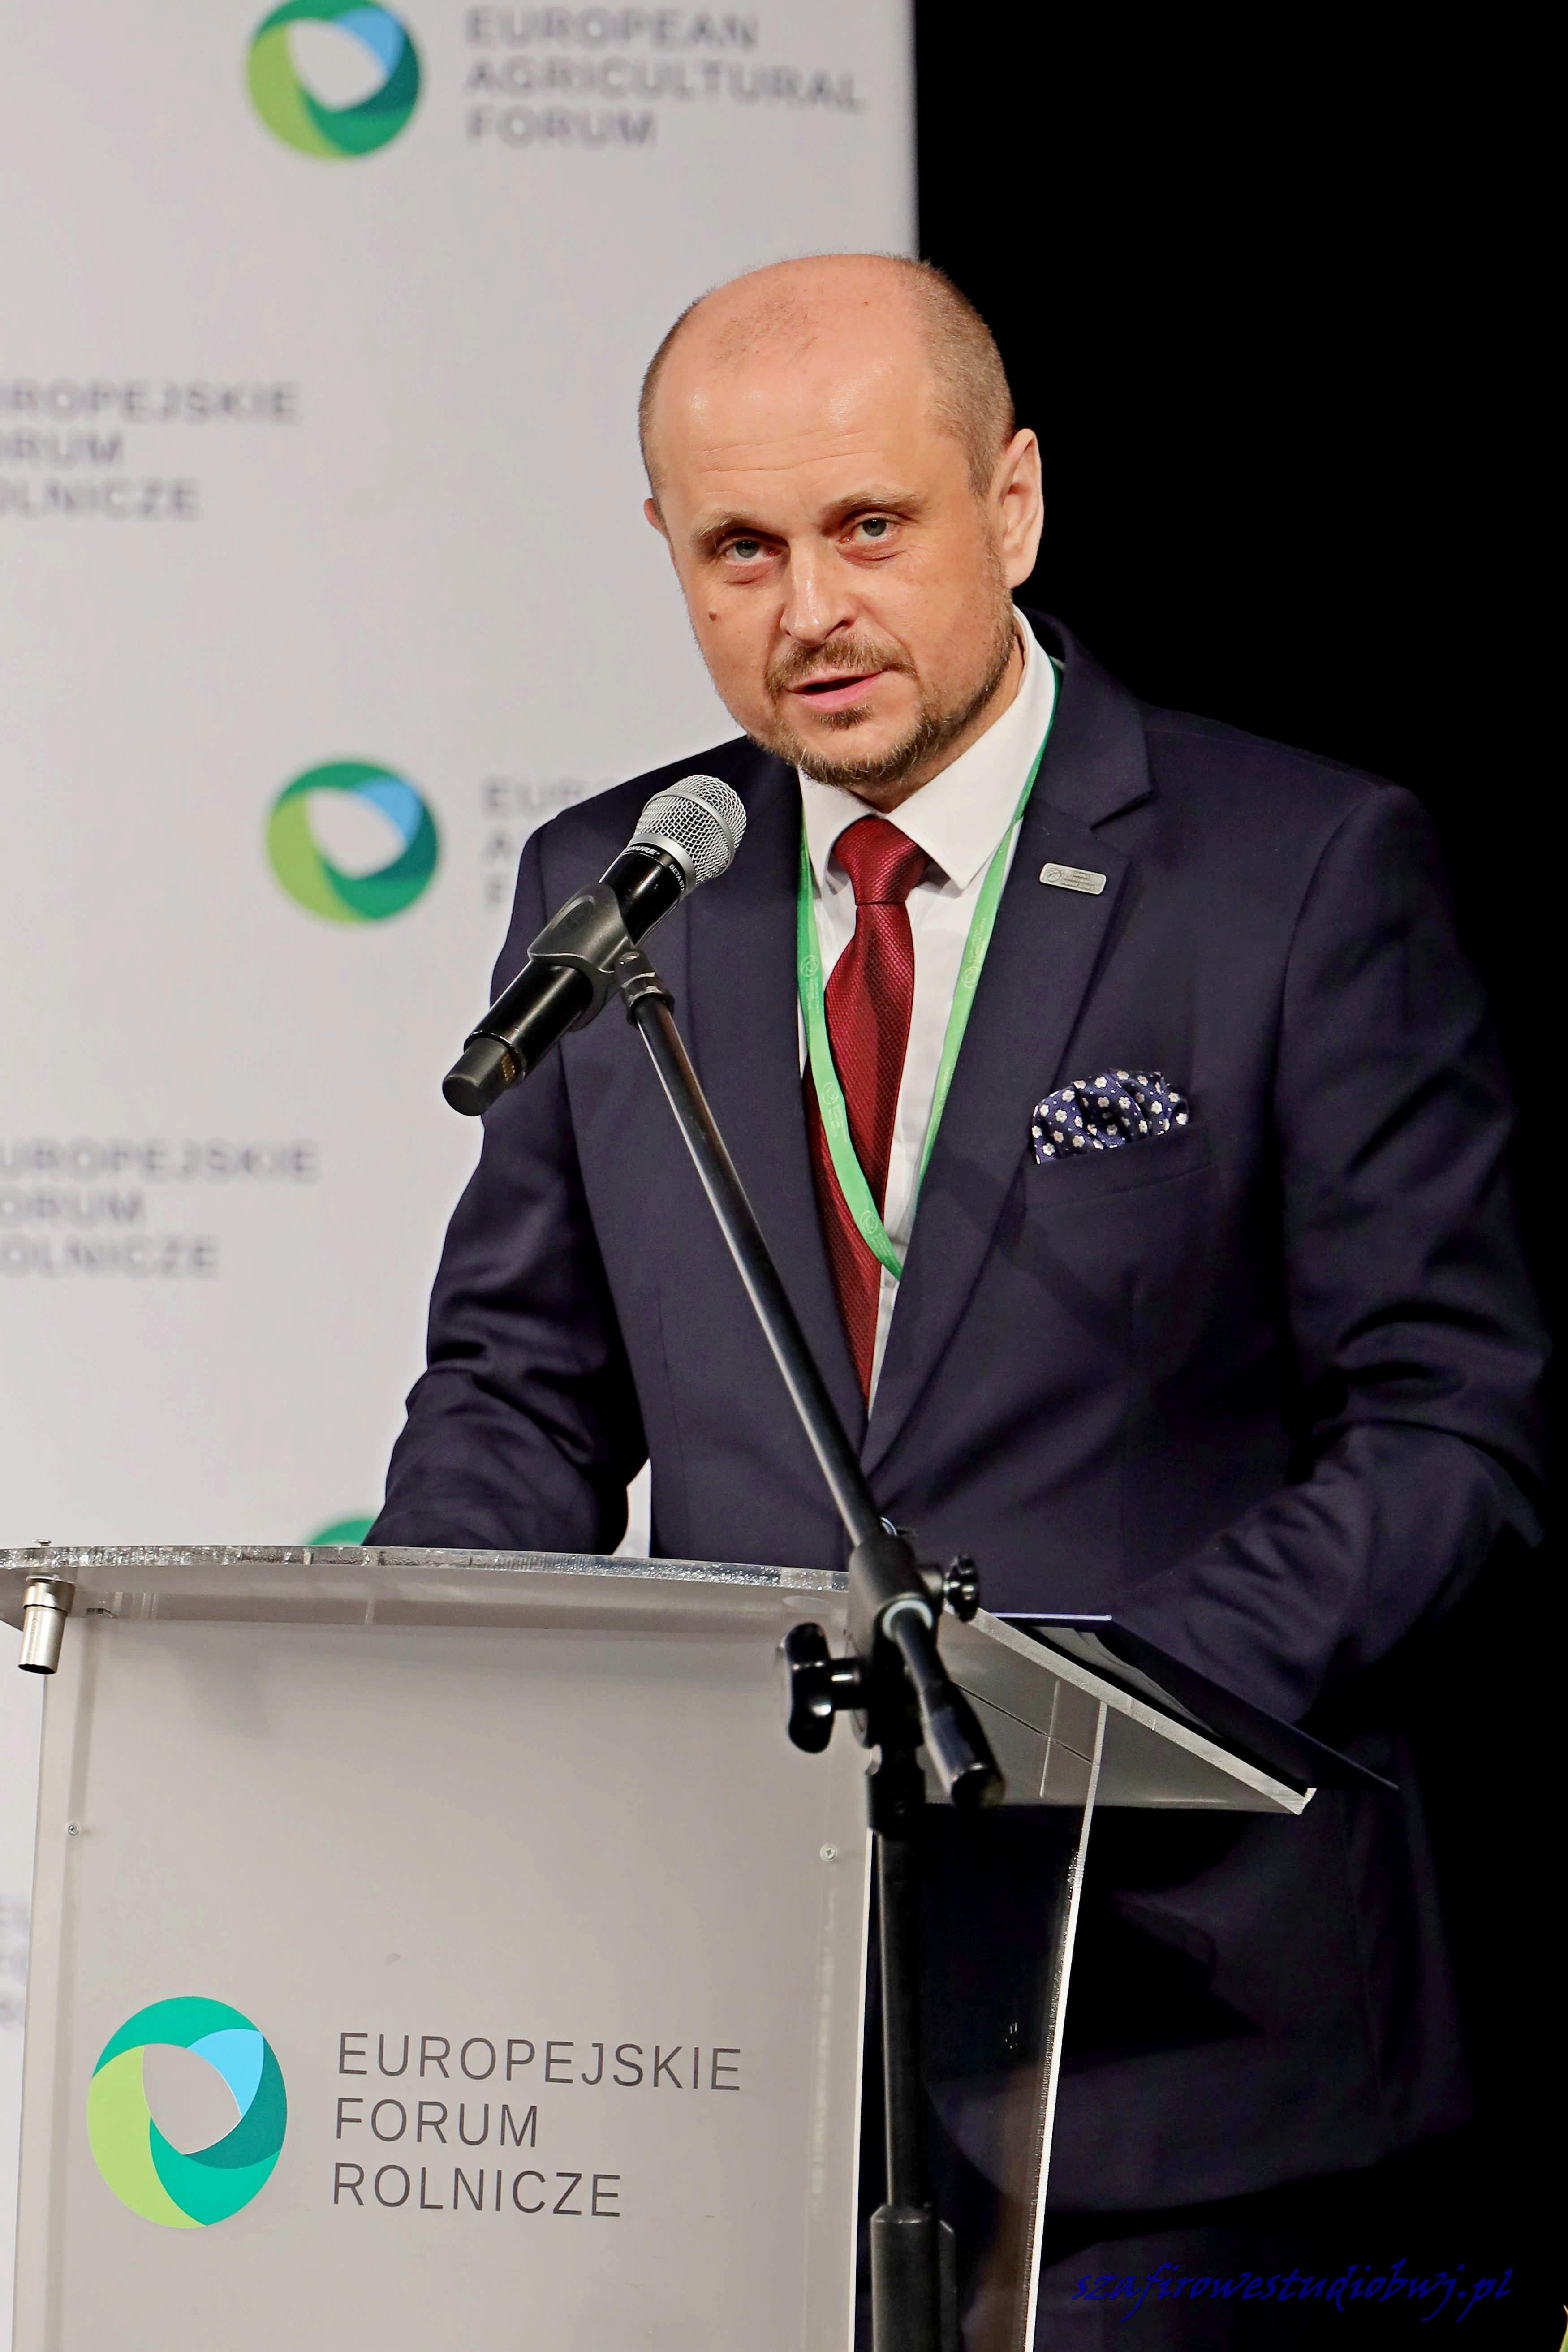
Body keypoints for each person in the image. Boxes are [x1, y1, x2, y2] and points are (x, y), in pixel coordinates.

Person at [370, 254, 1545, 2341]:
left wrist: (1087, 1701)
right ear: (665, 548)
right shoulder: (617, 892)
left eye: (866, 526)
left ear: (1010, 504)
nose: (807, 606)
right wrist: (430, 1665)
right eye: (739, 548)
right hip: (747, 2039)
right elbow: (521, 1389)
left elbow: (1446, 1427)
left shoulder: (1290, 871)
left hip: (1185, 2054)